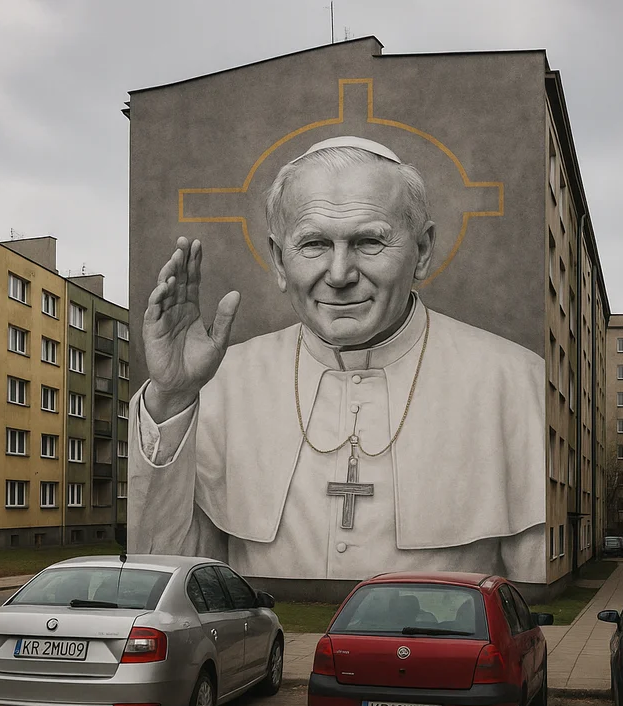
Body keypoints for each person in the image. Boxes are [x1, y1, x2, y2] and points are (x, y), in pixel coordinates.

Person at [128, 136, 547, 583]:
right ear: (279, 260)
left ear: (422, 251)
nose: (340, 274)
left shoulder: (517, 383)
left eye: (368, 241)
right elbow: (179, 578)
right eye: (314, 244)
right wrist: (172, 399)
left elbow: (536, 599)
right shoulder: (220, 383)